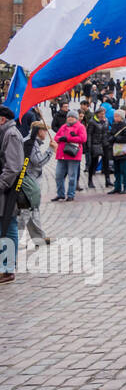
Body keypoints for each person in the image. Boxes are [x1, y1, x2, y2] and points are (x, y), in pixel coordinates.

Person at [15, 120, 53, 245]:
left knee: (32, 210)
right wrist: (50, 150)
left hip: (30, 180)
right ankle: (16, 238)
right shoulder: (31, 143)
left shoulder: (31, 141)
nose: (47, 134)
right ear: (39, 131)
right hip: (28, 182)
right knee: (26, 211)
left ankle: (38, 238)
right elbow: (38, 162)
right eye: (45, 131)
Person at [0, 106, 24, 284]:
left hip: (7, 190)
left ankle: (7, 269)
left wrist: (1, 184)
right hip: (4, 188)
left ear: (2, 119)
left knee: (8, 226)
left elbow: (14, 166)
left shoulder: (11, 134)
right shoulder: (5, 132)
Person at [51, 111, 87, 202]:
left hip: (73, 155)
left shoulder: (80, 127)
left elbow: (83, 139)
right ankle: (60, 194)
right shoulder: (63, 126)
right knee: (58, 175)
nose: (70, 118)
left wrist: (68, 138)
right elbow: (56, 137)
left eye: (72, 117)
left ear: (76, 118)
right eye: (69, 117)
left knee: (72, 177)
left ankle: (71, 195)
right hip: (62, 155)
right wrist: (60, 139)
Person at [107, 110, 126, 195]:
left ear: (121, 117)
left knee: (125, 171)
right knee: (117, 171)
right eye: (115, 116)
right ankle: (117, 187)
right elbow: (111, 134)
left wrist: (116, 138)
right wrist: (110, 138)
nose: (115, 118)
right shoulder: (115, 124)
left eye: (116, 116)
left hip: (124, 151)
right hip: (116, 151)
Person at [85, 106, 109, 191]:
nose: (103, 115)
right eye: (101, 113)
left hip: (105, 144)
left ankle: (107, 180)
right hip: (95, 144)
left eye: (104, 113)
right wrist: (89, 146)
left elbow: (107, 132)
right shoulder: (92, 122)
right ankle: (90, 180)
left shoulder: (106, 121)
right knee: (93, 163)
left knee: (106, 162)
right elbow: (89, 134)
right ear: (98, 113)